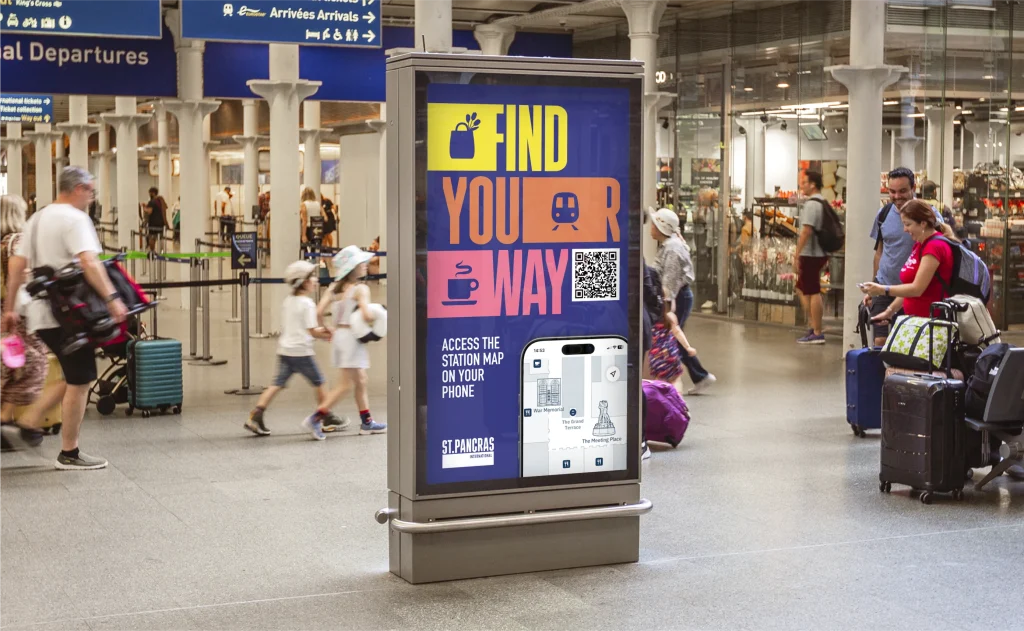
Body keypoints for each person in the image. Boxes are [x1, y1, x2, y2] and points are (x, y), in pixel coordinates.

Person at [0, 167, 128, 470]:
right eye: (91, 191)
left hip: (41, 315)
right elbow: (89, 261)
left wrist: (9, 307)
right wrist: (112, 298)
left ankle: (29, 424)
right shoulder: (75, 219)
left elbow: (18, 265)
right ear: (79, 188)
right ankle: (67, 451)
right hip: (70, 314)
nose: (92, 197)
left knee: (75, 375)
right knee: (81, 377)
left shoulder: (38, 218)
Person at [245, 261, 341, 440]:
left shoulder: (288, 301)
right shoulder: (307, 304)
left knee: (277, 384)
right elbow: (312, 331)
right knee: (320, 382)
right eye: (312, 277)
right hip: (301, 352)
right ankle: (323, 418)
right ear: (303, 282)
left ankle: (255, 415)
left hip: (285, 350)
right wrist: (328, 333)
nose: (315, 280)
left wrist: (323, 332)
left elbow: (300, 327)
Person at [865, 167, 946, 346]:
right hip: (885, 285)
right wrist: (875, 286)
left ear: (913, 188)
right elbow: (879, 252)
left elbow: (944, 243)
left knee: (904, 344)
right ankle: (880, 374)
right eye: (892, 192)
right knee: (880, 341)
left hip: (912, 290)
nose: (896, 196)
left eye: (902, 191)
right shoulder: (883, 214)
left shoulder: (927, 214)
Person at [314, 245, 387, 434]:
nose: (365, 265)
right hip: (352, 338)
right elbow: (367, 315)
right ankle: (316, 418)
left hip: (339, 336)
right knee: (345, 385)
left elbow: (319, 312)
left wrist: (326, 328)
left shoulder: (334, 288)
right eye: (361, 263)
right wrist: (382, 316)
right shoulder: (360, 289)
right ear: (353, 268)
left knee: (361, 379)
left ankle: (367, 421)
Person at [649, 208, 716, 395]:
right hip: (677, 296)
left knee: (672, 336)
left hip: (677, 297)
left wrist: (665, 306)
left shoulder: (672, 249)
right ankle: (699, 376)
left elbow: (669, 282)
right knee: (674, 338)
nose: (651, 226)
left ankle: (692, 376)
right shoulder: (669, 245)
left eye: (655, 223)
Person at [0, 195, 49, 428]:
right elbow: (17, 275)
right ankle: (8, 418)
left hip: (3, 309)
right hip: (17, 311)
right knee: (34, 361)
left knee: (11, 362)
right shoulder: (16, 242)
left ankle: (7, 416)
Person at [859, 199, 953, 320]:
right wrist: (889, 311)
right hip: (916, 321)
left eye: (908, 224)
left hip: (930, 324)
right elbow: (909, 287)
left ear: (923, 223)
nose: (905, 229)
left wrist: (881, 289)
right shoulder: (920, 244)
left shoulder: (934, 247)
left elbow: (916, 289)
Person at [794, 169, 829, 345]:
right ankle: (813, 324)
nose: (802, 185)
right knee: (802, 288)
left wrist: (797, 252)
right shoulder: (821, 202)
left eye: (804, 182)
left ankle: (817, 331)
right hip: (818, 252)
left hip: (811, 253)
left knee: (812, 290)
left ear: (812, 184)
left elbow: (806, 231)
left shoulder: (812, 204)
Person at [144, 187, 168, 253]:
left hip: (153, 224)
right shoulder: (160, 201)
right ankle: (162, 251)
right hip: (161, 223)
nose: (149, 195)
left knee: (152, 238)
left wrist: (144, 208)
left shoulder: (152, 202)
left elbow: (149, 211)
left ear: (153, 193)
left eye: (150, 193)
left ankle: (152, 252)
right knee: (161, 238)